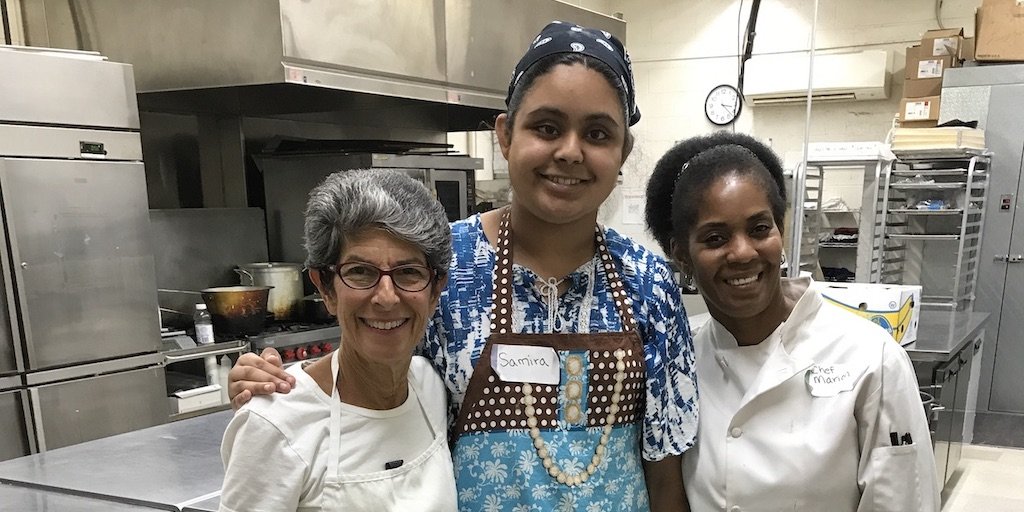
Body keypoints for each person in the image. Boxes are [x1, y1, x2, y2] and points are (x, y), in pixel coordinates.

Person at [228, 21, 699, 511]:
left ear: (622, 151)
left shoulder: (649, 284)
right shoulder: (439, 264)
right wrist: (279, 386)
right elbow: (373, 379)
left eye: (598, 133)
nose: (569, 151)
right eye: (546, 127)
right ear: (505, 134)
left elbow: (665, 477)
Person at [644, 131, 940, 511]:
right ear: (680, 254)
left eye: (759, 229)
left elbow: (904, 501)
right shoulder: (679, 362)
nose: (742, 252)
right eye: (715, 238)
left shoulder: (871, 358)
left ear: (780, 231)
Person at [219, 169, 457, 511]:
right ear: (326, 288)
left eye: (409, 272)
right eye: (360, 271)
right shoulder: (275, 424)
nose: (386, 297)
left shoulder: (430, 387)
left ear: (435, 290)